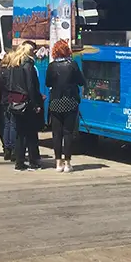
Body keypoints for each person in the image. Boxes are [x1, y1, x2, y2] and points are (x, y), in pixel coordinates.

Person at [46, 40, 86, 173]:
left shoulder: (51, 66)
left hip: (55, 102)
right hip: (70, 101)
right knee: (68, 132)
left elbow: (47, 83)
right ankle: (68, 163)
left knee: (56, 133)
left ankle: (58, 163)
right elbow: (81, 81)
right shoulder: (72, 65)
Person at [3, 41, 43, 171]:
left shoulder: (13, 65)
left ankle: (19, 161)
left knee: (20, 133)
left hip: (15, 102)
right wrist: (36, 103)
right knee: (31, 133)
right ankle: (33, 161)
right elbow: (31, 86)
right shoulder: (28, 66)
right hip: (27, 103)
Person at [0, 52, 17, 162]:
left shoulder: (0, 71)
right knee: (13, 124)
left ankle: (6, 149)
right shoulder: (11, 72)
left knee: (6, 124)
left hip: (3, 99)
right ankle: (13, 148)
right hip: (11, 99)